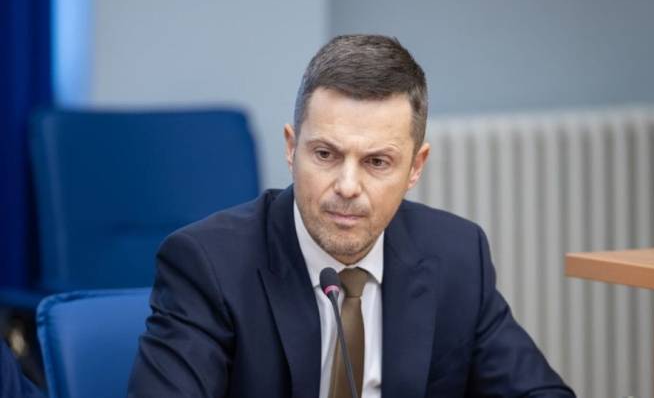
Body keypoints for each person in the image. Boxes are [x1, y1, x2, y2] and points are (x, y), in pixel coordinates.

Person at [128, 34, 574, 397]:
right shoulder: (209, 265)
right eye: (325, 154)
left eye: (377, 162)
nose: (346, 186)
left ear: (415, 167)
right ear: (291, 148)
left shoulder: (456, 255)